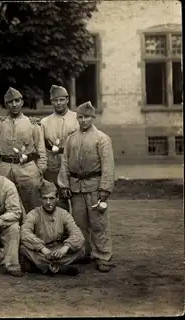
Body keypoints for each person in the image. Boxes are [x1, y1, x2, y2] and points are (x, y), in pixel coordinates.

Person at [58, 101, 116, 272]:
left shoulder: (102, 139)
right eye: (80, 117)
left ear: (93, 117)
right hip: (76, 188)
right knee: (79, 223)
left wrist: (105, 188)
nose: (83, 120)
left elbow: (108, 166)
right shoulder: (71, 139)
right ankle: (84, 252)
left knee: (98, 223)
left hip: (94, 187)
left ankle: (103, 256)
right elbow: (65, 163)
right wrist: (64, 184)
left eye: (87, 117)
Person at [0, 87, 47, 214]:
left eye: (17, 101)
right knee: (4, 204)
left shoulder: (32, 124)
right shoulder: (0, 125)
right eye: (11, 102)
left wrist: (40, 170)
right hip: (5, 168)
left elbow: (40, 150)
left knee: (32, 205)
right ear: (6, 105)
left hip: (27, 168)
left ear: (22, 102)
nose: (14, 104)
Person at [20, 180, 85, 276]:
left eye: (51, 198)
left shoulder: (63, 214)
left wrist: (64, 249)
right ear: (40, 199)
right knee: (23, 248)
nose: (48, 202)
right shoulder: (33, 214)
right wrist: (43, 249)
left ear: (57, 198)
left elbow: (77, 233)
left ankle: (42, 267)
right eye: (45, 198)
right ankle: (59, 267)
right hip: (41, 251)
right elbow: (25, 233)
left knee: (81, 249)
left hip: (58, 250)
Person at [39, 85, 79, 211]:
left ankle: (76, 228)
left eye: (62, 99)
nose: (59, 103)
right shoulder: (45, 122)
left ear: (67, 100)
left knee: (77, 200)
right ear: (51, 102)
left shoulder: (77, 118)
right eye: (55, 100)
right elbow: (42, 146)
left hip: (73, 163)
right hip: (54, 164)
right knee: (58, 200)